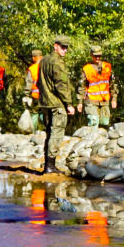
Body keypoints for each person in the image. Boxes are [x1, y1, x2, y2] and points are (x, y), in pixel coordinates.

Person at [35, 36, 77, 173]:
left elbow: (38, 82)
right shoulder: (57, 62)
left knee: (49, 133)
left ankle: (48, 164)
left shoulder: (43, 61)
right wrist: (69, 104)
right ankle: (50, 166)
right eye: (62, 47)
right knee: (56, 134)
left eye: (66, 47)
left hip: (45, 103)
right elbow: (61, 85)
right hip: (56, 103)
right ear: (55, 46)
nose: (65, 50)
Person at [80, 45, 118, 128]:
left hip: (104, 101)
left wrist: (114, 99)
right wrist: (80, 102)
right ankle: (91, 140)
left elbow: (112, 85)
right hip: (91, 101)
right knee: (93, 123)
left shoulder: (107, 67)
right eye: (95, 56)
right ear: (91, 55)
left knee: (105, 123)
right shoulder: (87, 69)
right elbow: (81, 87)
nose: (97, 58)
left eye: (99, 56)